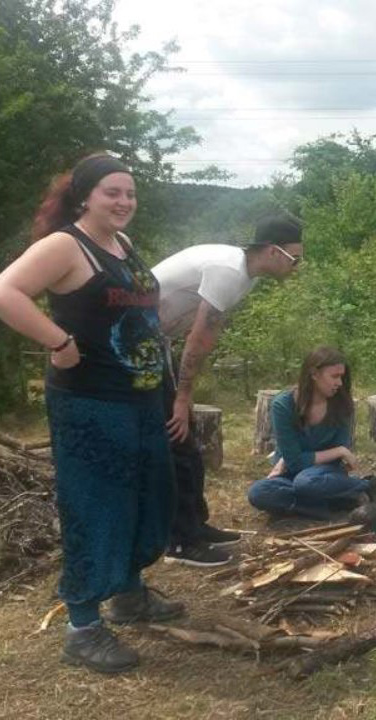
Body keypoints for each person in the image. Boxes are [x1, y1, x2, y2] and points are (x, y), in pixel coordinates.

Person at [0, 153, 183, 674]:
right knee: (97, 506)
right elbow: (2, 293)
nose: (123, 202)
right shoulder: (64, 245)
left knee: (148, 496)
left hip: (139, 397)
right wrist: (59, 340)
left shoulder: (122, 245)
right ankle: (82, 626)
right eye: (112, 192)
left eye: (130, 194)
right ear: (85, 196)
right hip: (90, 402)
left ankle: (129, 593)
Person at [153, 215, 303, 566]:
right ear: (272, 251)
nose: (298, 266)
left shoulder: (243, 274)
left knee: (186, 445)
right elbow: (199, 339)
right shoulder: (229, 270)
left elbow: (207, 333)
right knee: (177, 441)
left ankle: (195, 525)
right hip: (132, 343)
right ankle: (178, 541)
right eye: (294, 258)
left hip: (154, 342)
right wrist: (182, 397)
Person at [248, 347, 376, 519]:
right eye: (334, 376)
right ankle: (332, 503)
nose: (340, 383)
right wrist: (339, 451)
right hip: (291, 474)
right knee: (258, 492)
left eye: (341, 377)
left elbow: (337, 460)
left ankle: (368, 486)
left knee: (306, 482)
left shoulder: (342, 404)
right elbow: (296, 462)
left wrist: (296, 458)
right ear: (314, 374)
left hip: (323, 474)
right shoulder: (283, 405)